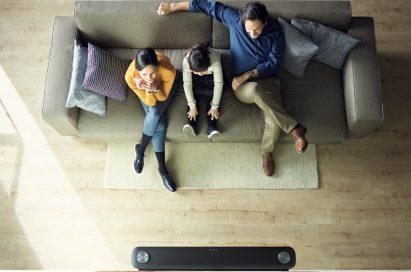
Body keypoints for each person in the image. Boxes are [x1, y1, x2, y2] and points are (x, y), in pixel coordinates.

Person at [157, 0, 308, 176]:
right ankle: (295, 128)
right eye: (249, 29)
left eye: (257, 29)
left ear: (265, 23)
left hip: (267, 82)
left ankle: (267, 152)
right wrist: (173, 7)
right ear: (243, 21)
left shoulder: (275, 31)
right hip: (243, 87)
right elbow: (207, 5)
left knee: (273, 124)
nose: (252, 34)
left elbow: (274, 63)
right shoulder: (235, 21)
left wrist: (248, 74)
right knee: (254, 90)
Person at [125, 48, 179, 192]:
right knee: (158, 121)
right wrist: (149, 89)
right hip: (148, 94)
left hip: (167, 89)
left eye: (152, 73)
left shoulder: (168, 71)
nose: (149, 78)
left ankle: (140, 150)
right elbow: (150, 102)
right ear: (138, 71)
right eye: (144, 74)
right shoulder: (131, 77)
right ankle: (163, 170)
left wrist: (155, 88)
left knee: (155, 113)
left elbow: (162, 97)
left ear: (157, 66)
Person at [182, 42, 224, 139]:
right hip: (195, 76)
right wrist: (192, 106)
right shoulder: (186, 62)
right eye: (197, 72)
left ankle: (212, 127)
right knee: (192, 95)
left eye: (202, 71)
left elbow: (218, 84)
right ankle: (192, 126)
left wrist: (214, 107)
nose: (200, 74)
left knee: (213, 97)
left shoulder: (215, 62)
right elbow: (187, 83)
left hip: (211, 75)